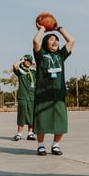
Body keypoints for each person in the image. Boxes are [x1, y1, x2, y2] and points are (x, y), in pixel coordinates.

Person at [33, 23, 75, 156]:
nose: (55, 41)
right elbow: (35, 41)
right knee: (41, 121)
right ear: (46, 43)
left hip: (58, 95)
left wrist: (59, 29)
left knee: (61, 121)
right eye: (51, 39)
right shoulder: (41, 55)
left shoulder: (61, 55)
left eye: (56, 39)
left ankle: (56, 145)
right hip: (42, 94)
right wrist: (42, 29)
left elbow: (71, 41)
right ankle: (40, 146)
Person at [12, 54, 36, 141]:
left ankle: (30, 133)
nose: (28, 62)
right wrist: (22, 60)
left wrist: (33, 64)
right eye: (26, 61)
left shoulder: (33, 73)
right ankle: (19, 134)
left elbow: (42, 70)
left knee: (32, 115)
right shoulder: (20, 71)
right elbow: (14, 66)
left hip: (32, 96)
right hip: (23, 96)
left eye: (29, 61)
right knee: (22, 114)